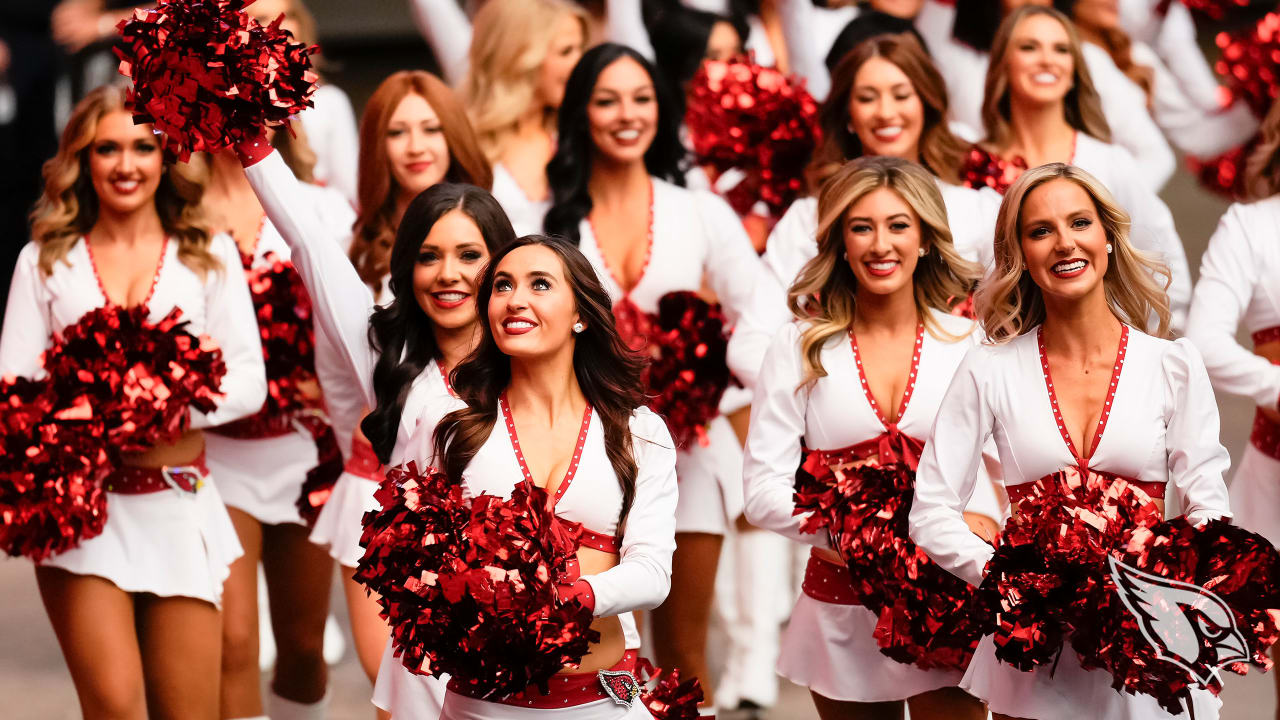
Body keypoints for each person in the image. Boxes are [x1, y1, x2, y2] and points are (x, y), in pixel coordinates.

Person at [909, 162, 1231, 720]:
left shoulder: (1173, 363)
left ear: (1107, 237)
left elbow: (1208, 505)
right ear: (1020, 256)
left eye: (1079, 222)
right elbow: (931, 511)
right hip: (1036, 659)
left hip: (1150, 646)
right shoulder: (989, 369)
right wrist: (1006, 581)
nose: (1064, 243)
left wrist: (1165, 587)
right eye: (1040, 231)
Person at [237, 68, 498, 718]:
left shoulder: (518, 306)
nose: (450, 274)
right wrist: (252, 148)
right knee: (406, 702)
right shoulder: (370, 311)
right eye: (429, 258)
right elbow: (309, 245)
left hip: (496, 518)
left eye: (470, 256)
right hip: (383, 501)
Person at [0, 84, 266, 719]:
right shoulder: (43, 261)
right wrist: (100, 406)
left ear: (167, 156)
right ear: (81, 161)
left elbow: (249, 381)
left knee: (188, 712)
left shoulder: (209, 255)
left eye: (143, 148)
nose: (126, 164)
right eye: (107, 149)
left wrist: (158, 403)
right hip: (82, 513)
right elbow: (14, 388)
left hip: (178, 503)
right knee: (116, 707)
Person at [544, 42, 766, 708]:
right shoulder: (548, 217)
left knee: (683, 658)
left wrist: (707, 369)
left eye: (641, 98)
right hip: (582, 461)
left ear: (661, 110)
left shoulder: (698, 210)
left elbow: (760, 321)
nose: (626, 114)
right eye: (607, 99)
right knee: (591, 652)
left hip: (691, 452)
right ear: (582, 112)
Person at [743, 156, 998, 720]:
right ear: (840, 244)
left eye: (898, 225)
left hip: (947, 593)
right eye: (862, 227)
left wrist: (976, 522)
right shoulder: (799, 346)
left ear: (927, 239)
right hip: (842, 600)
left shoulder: (969, 343)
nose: (881, 244)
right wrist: (857, 533)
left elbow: (996, 468)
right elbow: (762, 492)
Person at [399, 234, 678, 720]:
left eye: (540, 284)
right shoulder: (449, 422)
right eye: (502, 286)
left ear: (581, 315)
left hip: (603, 701)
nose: (515, 300)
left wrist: (560, 597)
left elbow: (653, 575)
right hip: (479, 706)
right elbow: (413, 561)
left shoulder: (638, 431)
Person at [727, 33, 1001, 390]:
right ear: (848, 118)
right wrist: (829, 404)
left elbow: (1013, 329)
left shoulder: (978, 210)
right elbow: (748, 346)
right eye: (867, 98)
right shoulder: (809, 220)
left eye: (901, 95)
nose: (886, 112)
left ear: (927, 106)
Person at [201, 133, 352, 720]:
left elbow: (353, 317)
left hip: (303, 454)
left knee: (303, 646)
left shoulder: (320, 205)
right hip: (214, 459)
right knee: (234, 644)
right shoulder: (173, 206)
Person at [957, 4, 1191, 329]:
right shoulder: (964, 164)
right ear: (1002, 64)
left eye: (1061, 49)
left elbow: (1168, 270)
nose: (1047, 59)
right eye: (1029, 47)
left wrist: (1140, 346)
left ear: (1073, 70)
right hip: (992, 353)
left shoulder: (1109, 163)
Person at [410, 0, 588, 235]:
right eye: (566, 51)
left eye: (580, 50)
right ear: (520, 56)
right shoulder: (460, 140)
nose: (581, 63)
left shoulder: (581, 134)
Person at [1053, 0, 1255, 182]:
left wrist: (1261, 101)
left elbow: (1197, 135)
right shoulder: (1059, 60)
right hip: (1084, 197)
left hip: (1117, 207)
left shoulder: (1136, 56)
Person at [248, 0, 361, 206]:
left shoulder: (330, 101)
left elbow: (351, 192)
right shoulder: (231, 101)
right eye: (263, 18)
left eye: (289, 15)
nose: (282, 26)